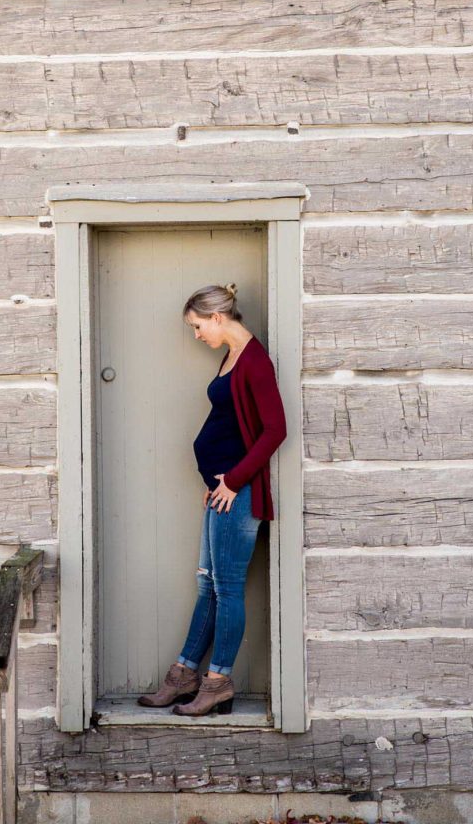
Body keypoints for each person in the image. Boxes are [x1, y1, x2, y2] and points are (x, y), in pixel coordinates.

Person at [137, 282, 287, 716]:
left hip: (237, 495)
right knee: (208, 584)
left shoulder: (255, 361)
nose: (197, 335)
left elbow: (275, 431)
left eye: (198, 326)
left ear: (218, 317)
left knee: (227, 588)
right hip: (222, 493)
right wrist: (218, 479)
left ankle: (217, 680)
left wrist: (234, 481)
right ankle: (184, 675)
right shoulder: (233, 355)